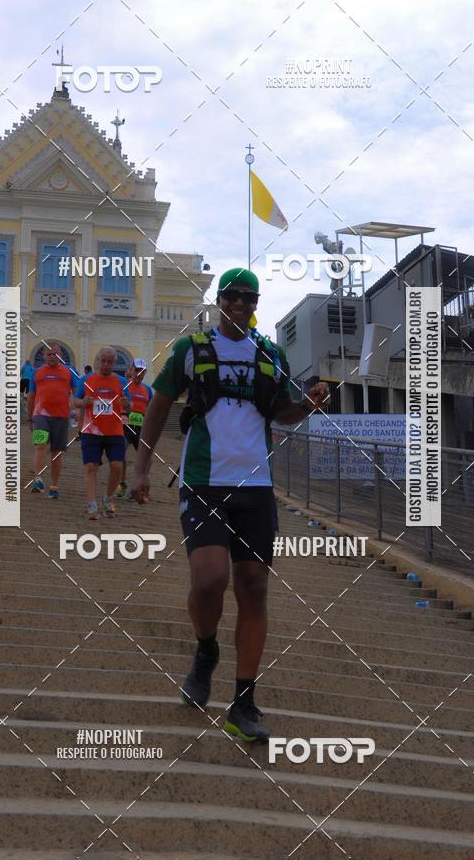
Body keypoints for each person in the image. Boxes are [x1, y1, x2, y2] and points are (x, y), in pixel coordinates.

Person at [130, 268, 328, 742]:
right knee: (210, 579)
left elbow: (279, 412)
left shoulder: (270, 353)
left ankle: (243, 702)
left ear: (256, 302)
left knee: (255, 587)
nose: (241, 304)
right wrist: (141, 467)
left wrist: (307, 406)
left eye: (249, 298)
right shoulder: (190, 350)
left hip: (256, 487)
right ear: (220, 301)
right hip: (203, 481)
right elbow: (158, 406)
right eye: (233, 297)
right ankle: (205, 650)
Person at [75, 346, 129, 520]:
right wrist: (83, 402)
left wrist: (126, 404)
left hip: (114, 431)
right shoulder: (86, 380)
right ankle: (92, 504)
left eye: (110, 362)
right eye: (103, 361)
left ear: (114, 363)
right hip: (92, 430)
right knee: (91, 467)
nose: (105, 365)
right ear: (98, 361)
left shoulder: (121, 381)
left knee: (117, 466)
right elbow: (74, 400)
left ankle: (107, 498)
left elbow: (130, 405)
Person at [26, 343, 74, 499]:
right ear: (44, 355)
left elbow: (76, 392)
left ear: (60, 355)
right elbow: (31, 396)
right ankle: (38, 480)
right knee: (40, 446)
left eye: (55, 354)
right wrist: (29, 418)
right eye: (49, 354)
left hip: (61, 416)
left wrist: (78, 410)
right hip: (40, 415)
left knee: (56, 452)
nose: (53, 356)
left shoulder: (69, 372)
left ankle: (54, 485)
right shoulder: (36, 373)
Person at [117, 358, 153, 497]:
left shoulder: (147, 390)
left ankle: (138, 483)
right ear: (131, 370)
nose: (139, 374)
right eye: (137, 370)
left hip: (141, 428)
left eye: (143, 371)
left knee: (148, 458)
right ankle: (122, 482)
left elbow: (150, 409)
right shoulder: (124, 387)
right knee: (120, 453)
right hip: (125, 426)